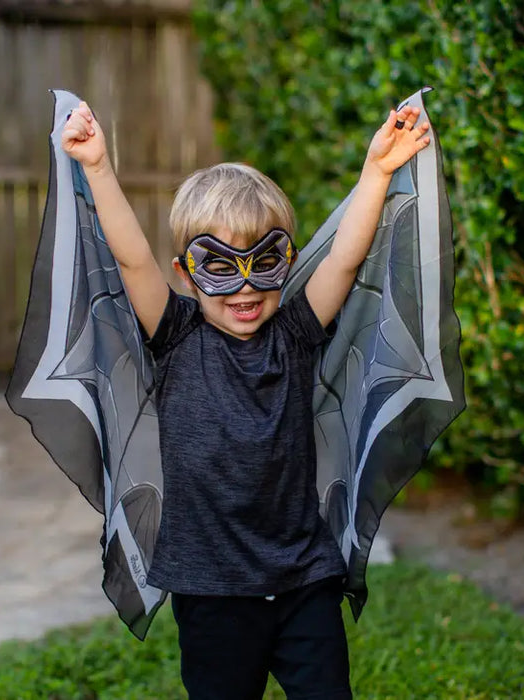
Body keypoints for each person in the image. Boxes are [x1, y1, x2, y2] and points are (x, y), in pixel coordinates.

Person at [62, 101, 430, 700]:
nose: (245, 287)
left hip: (303, 577)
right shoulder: (174, 335)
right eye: (219, 267)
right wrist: (99, 168)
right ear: (186, 273)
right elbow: (131, 258)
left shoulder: (296, 332)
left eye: (264, 263)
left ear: (283, 264)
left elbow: (343, 258)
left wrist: (378, 173)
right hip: (211, 590)